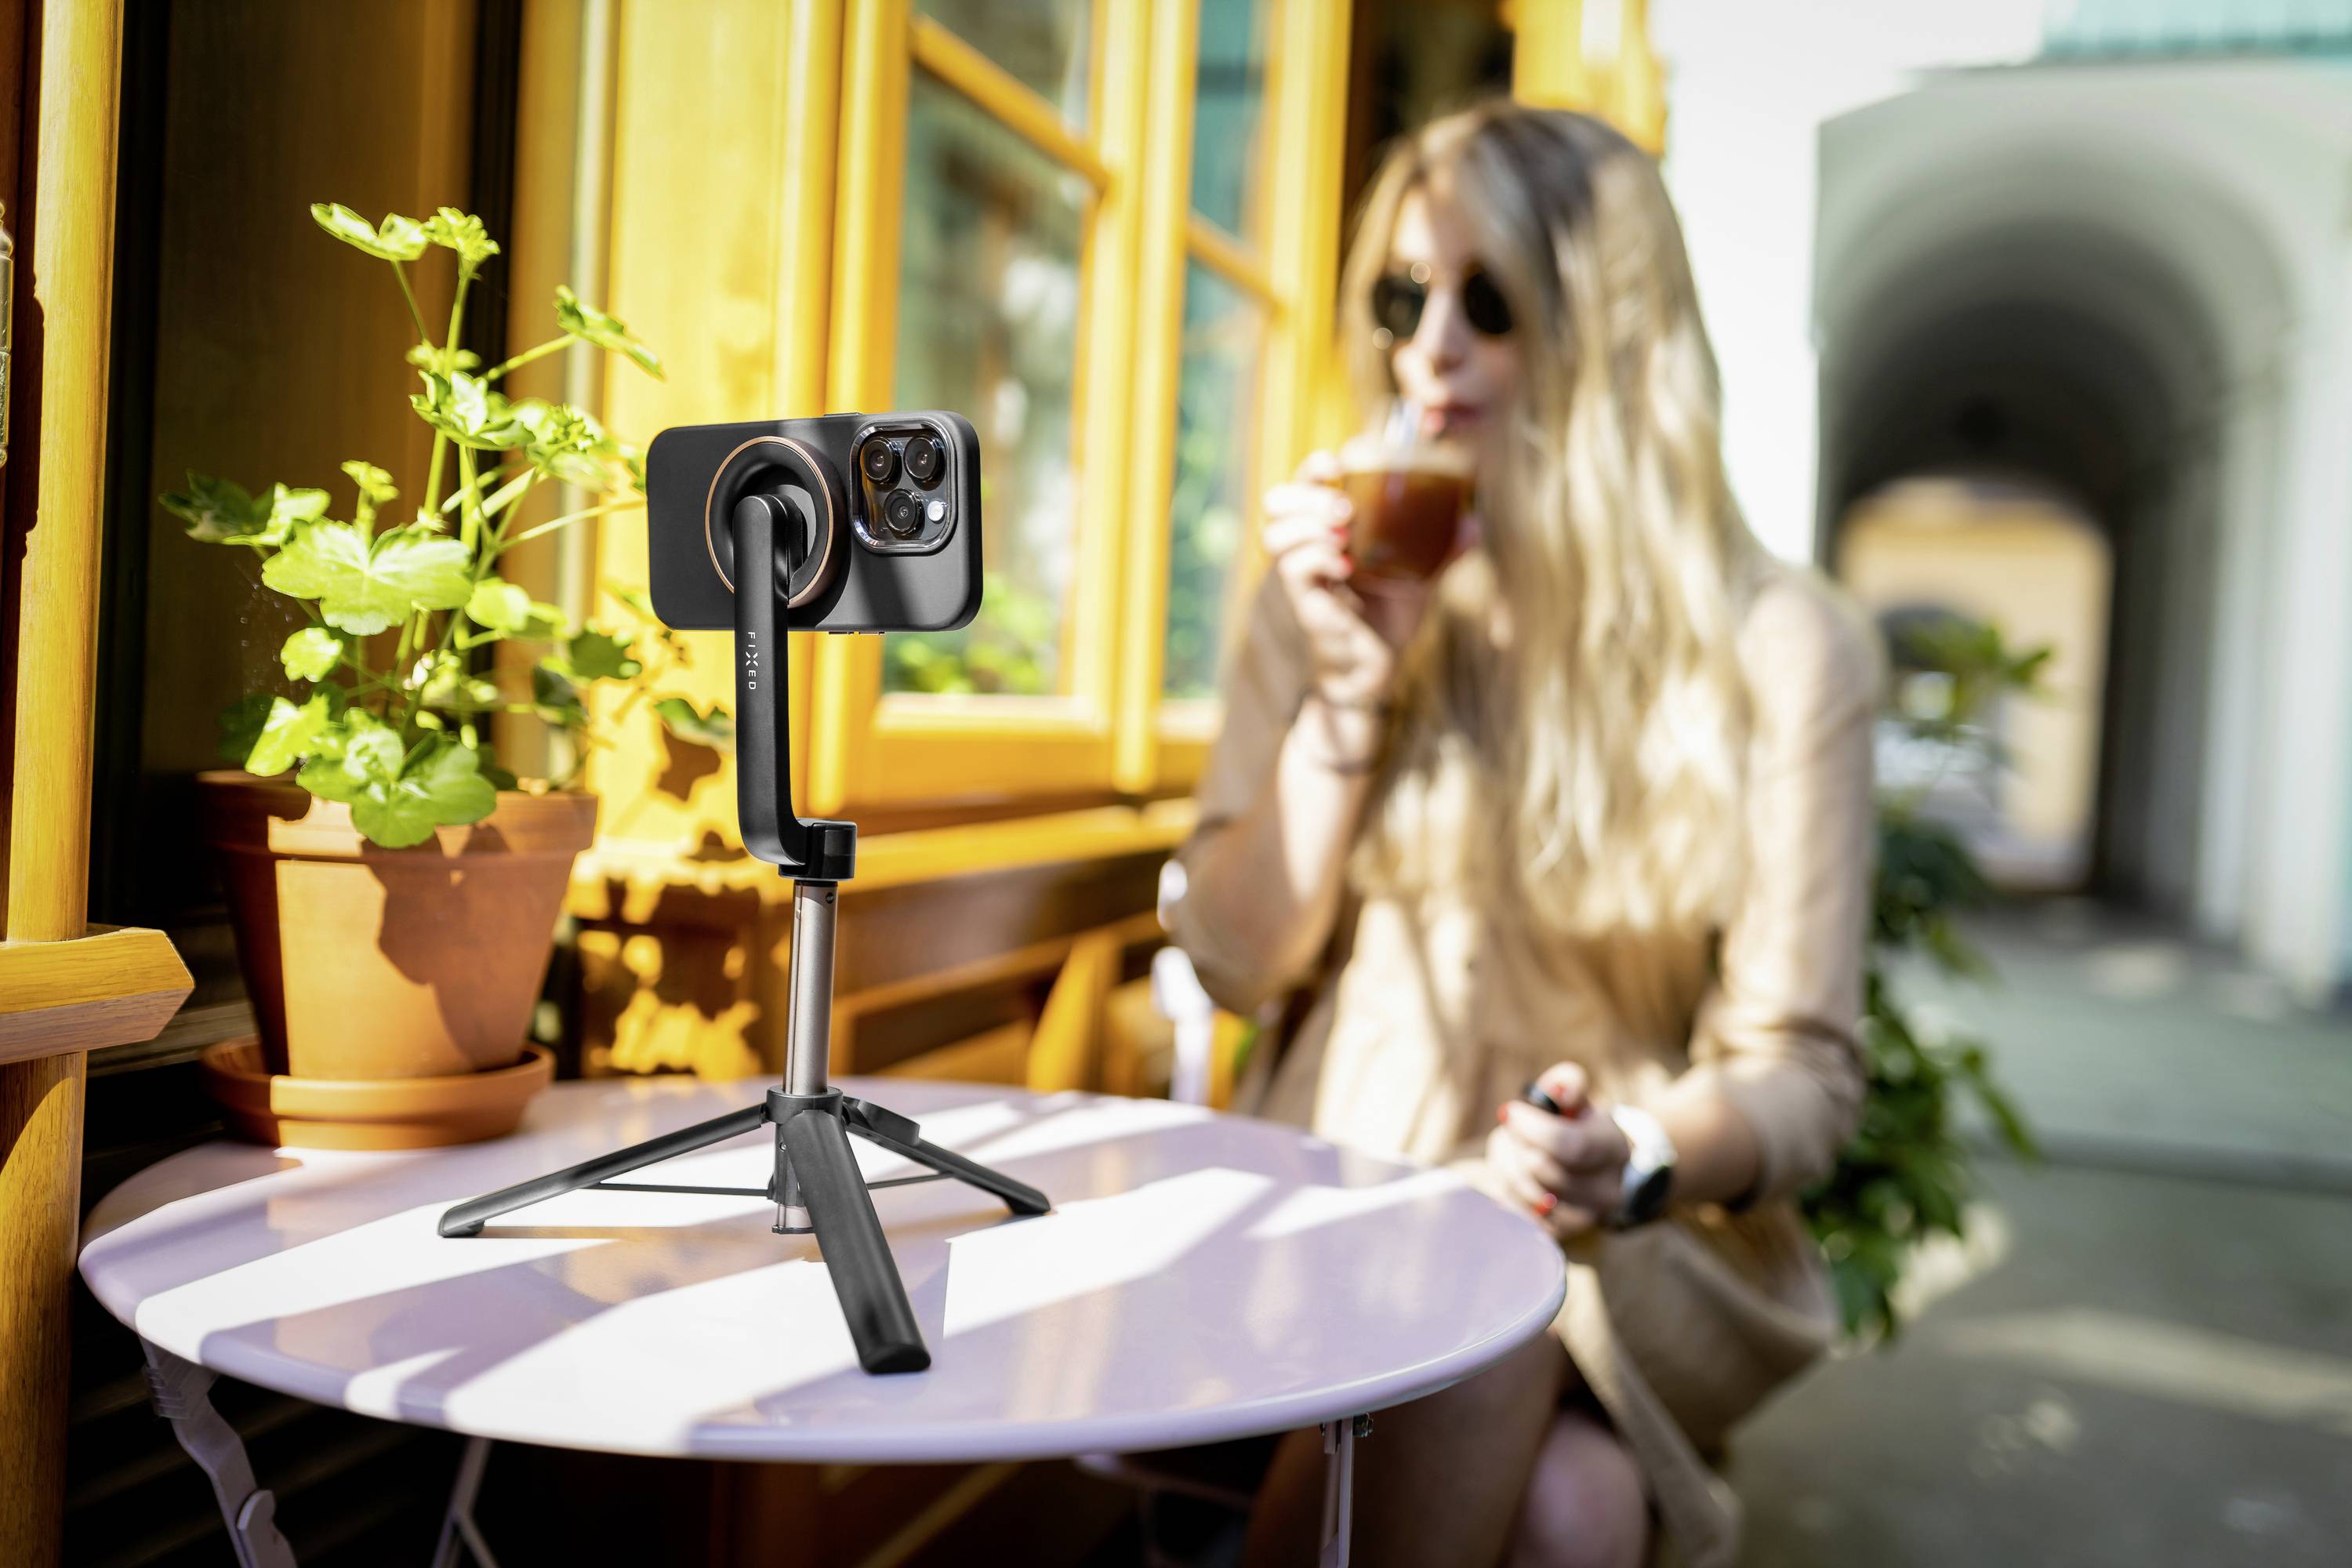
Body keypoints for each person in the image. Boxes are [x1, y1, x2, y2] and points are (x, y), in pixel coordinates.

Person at [1162, 101, 1880, 1568]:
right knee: (1572, 1507)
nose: (1430, 349)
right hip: (1338, 1191)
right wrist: (1351, 698)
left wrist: (1638, 1152)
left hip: (1624, 1229)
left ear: (1614, 336)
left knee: (1500, 1286)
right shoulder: (1335, 588)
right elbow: (1236, 963)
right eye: (1404, 297)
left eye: (1490, 302)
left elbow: (1803, 1073)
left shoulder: (1781, 646)